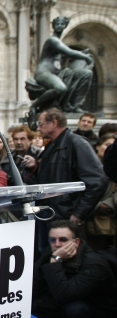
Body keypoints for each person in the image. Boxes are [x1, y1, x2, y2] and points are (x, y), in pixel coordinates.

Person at [26, 108, 107, 252]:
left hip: (65, 216)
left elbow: (97, 181)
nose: (38, 128)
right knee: (46, 256)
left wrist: (78, 213)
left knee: (66, 258)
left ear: (54, 123)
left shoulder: (77, 144)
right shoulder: (52, 145)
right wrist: (36, 166)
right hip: (49, 213)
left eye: (41, 123)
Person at [32, 220, 117, 318]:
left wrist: (55, 261)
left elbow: (64, 294)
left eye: (63, 239)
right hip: (63, 304)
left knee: (74, 309)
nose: (57, 244)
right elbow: (35, 282)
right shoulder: (52, 252)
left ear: (76, 242)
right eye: (52, 240)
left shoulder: (95, 264)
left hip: (96, 316)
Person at [26, 16, 94, 118]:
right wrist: (85, 57)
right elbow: (69, 52)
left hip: (58, 73)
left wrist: (81, 53)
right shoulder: (52, 40)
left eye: (62, 24)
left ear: (65, 26)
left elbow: (66, 56)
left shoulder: (59, 41)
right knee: (60, 88)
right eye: (57, 24)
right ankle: (35, 106)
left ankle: (74, 106)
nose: (59, 26)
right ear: (53, 26)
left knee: (86, 74)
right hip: (44, 73)